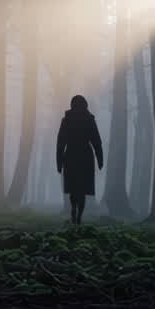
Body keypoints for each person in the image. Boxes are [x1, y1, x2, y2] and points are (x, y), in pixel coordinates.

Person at [56, 94, 104, 225]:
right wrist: (100, 159)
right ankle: (79, 216)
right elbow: (97, 141)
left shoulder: (67, 120)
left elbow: (60, 142)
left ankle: (73, 210)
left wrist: (59, 162)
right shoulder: (89, 119)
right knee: (82, 189)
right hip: (85, 157)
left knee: (73, 188)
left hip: (71, 155)